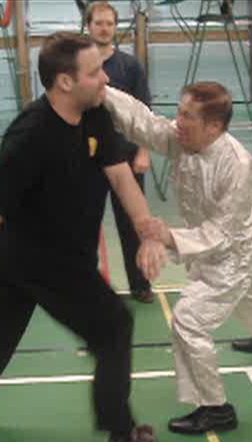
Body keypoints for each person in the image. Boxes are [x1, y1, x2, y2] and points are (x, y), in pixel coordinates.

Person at [0, 32, 167, 442]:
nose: (106, 78)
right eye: (94, 72)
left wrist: (147, 232)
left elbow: (121, 176)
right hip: (29, 259)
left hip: (55, 255)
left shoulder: (95, 114)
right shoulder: (30, 135)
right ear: (65, 82)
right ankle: (121, 433)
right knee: (110, 327)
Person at [102, 81, 252, 435]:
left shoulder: (238, 166)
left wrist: (167, 236)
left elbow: (221, 233)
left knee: (188, 320)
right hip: (229, 247)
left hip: (236, 255)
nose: (178, 121)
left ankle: (216, 409)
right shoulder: (185, 139)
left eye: (187, 116)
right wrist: (104, 93)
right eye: (179, 111)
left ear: (213, 127)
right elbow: (145, 123)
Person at [86, 1, 154, 303]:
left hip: (125, 158)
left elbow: (145, 114)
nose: (104, 29)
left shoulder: (130, 66)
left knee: (132, 225)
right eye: (99, 23)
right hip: (88, 159)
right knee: (85, 225)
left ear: (115, 27)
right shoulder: (78, 66)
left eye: (109, 24)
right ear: (88, 26)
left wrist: (144, 152)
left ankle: (140, 284)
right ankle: (85, 285)